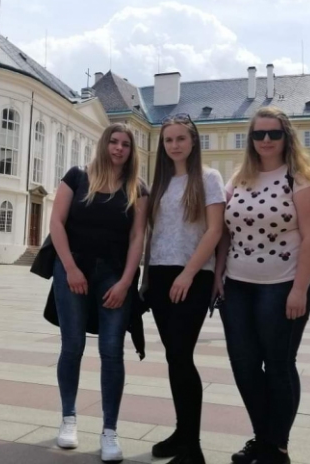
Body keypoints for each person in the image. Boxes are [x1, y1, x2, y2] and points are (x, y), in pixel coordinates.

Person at [215, 106, 310, 464]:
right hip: (237, 286)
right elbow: (223, 230)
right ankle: (264, 439)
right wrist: (217, 275)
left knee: (278, 365)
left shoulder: (302, 180)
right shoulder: (239, 178)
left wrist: (299, 289)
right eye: (258, 134)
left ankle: (276, 447)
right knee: (244, 365)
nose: (265, 140)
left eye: (273, 133)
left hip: (282, 285)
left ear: (286, 137)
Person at [49, 123, 147, 462]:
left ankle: (109, 431)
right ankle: (68, 419)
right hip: (72, 268)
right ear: (104, 144)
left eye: (126, 144)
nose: (119, 148)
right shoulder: (77, 177)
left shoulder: (137, 188)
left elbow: (137, 237)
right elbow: (56, 223)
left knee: (112, 351)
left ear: (131, 151)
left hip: (114, 274)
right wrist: (70, 268)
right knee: (72, 345)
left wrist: (126, 282)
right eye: (114, 142)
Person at [143, 113, 225, 464]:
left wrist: (188, 274)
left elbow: (215, 230)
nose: (174, 145)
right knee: (174, 357)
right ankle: (182, 433)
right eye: (168, 140)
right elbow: (153, 233)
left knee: (181, 355)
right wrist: (147, 279)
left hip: (192, 276)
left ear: (193, 141)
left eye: (181, 138)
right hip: (160, 275)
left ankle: (193, 448)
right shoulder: (160, 183)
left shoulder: (208, 178)